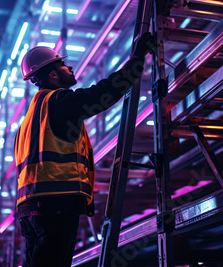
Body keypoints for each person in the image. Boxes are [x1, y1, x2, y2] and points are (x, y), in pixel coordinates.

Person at [14, 32, 154, 267]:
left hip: (30, 208)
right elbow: (103, 93)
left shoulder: (29, 119)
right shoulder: (59, 101)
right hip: (55, 205)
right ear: (52, 74)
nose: (69, 67)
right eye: (62, 65)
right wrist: (138, 57)